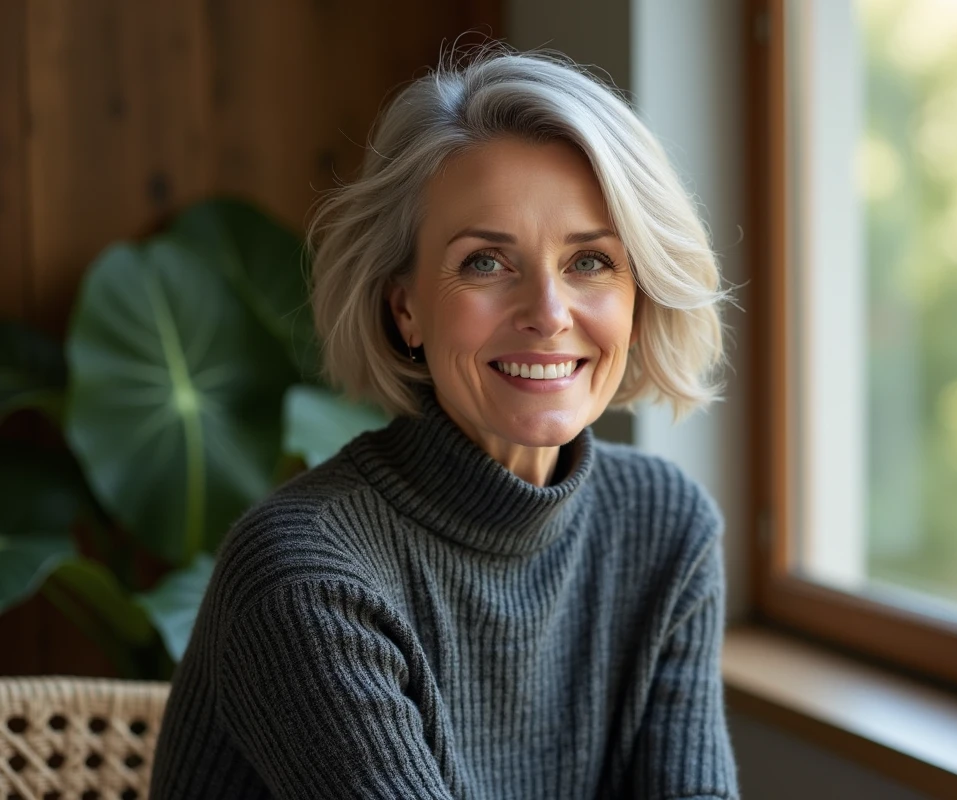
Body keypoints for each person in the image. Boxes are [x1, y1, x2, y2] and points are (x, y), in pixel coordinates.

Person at [150, 42, 738, 799]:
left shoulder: (666, 530)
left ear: (639, 294)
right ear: (406, 309)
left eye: (590, 262)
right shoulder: (307, 578)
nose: (549, 315)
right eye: (486, 263)